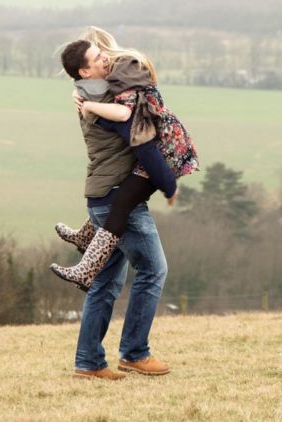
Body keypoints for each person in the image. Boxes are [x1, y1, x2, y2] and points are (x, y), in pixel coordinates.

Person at [57, 32, 182, 380]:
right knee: (154, 271)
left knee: (106, 285)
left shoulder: (91, 91)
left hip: (103, 198)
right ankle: (134, 352)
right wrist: (168, 184)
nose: (105, 60)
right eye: (97, 58)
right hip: (115, 198)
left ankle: (88, 362)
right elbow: (132, 123)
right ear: (84, 73)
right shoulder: (100, 100)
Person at [51, 28, 198, 292]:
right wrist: (80, 94)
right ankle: (86, 241)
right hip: (160, 148)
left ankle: (86, 267)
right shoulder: (126, 83)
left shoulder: (131, 99)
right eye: (99, 58)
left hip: (166, 152)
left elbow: (134, 131)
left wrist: (168, 185)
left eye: (104, 58)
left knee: (122, 202)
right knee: (121, 201)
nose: (106, 64)